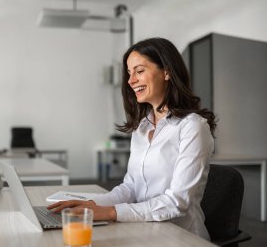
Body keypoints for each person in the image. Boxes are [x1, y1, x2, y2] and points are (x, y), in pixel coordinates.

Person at [47, 37, 217, 240]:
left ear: (167, 72)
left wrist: (111, 212)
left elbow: (177, 202)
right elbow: (131, 187)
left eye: (139, 71)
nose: (130, 80)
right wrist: (92, 206)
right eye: (129, 73)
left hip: (179, 236)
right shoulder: (142, 127)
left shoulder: (192, 126)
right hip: (143, 228)